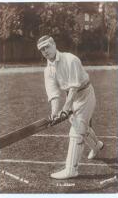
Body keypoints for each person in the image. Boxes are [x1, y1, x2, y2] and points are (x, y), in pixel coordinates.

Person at [37, 35, 104, 179]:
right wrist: (55, 113)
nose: (45, 51)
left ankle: (71, 170)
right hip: (72, 97)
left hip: (85, 94)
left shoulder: (70, 59)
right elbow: (54, 94)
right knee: (80, 126)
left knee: (76, 131)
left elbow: (74, 88)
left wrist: (66, 108)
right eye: (42, 49)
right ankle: (96, 145)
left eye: (47, 46)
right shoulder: (47, 70)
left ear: (54, 44)